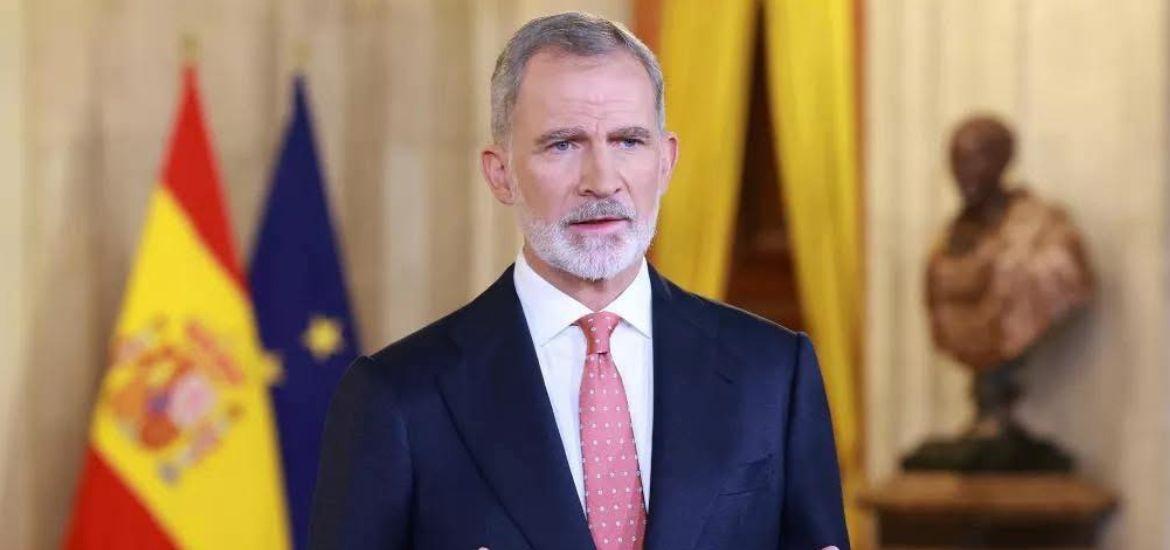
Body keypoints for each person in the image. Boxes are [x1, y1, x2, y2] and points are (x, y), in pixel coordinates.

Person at [310, 12, 848, 550]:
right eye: (563, 144)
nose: (602, 181)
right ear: (501, 173)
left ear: (665, 162)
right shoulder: (398, 397)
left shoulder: (775, 373)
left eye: (628, 141)